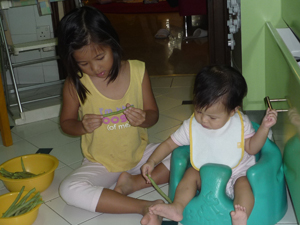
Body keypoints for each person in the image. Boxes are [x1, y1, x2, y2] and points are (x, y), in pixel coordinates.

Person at [57, 6, 170, 224]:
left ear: (112, 44)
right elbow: (66, 123)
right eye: (83, 63)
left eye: (100, 57)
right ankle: (143, 206)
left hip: (140, 155)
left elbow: (153, 114)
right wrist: (81, 126)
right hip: (101, 162)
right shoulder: (75, 83)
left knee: (190, 152)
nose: (95, 68)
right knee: (69, 190)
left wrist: (144, 118)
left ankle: (133, 184)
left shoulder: (138, 70)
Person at [141, 65, 278, 225]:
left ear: (233, 111)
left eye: (212, 117)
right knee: (190, 174)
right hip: (204, 175)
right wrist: (152, 161)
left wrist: (264, 128)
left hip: (237, 174)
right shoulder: (191, 126)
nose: (204, 120)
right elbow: (169, 144)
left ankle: (242, 215)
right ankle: (177, 207)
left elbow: (252, 148)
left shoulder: (241, 123)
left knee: (244, 185)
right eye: (199, 111)